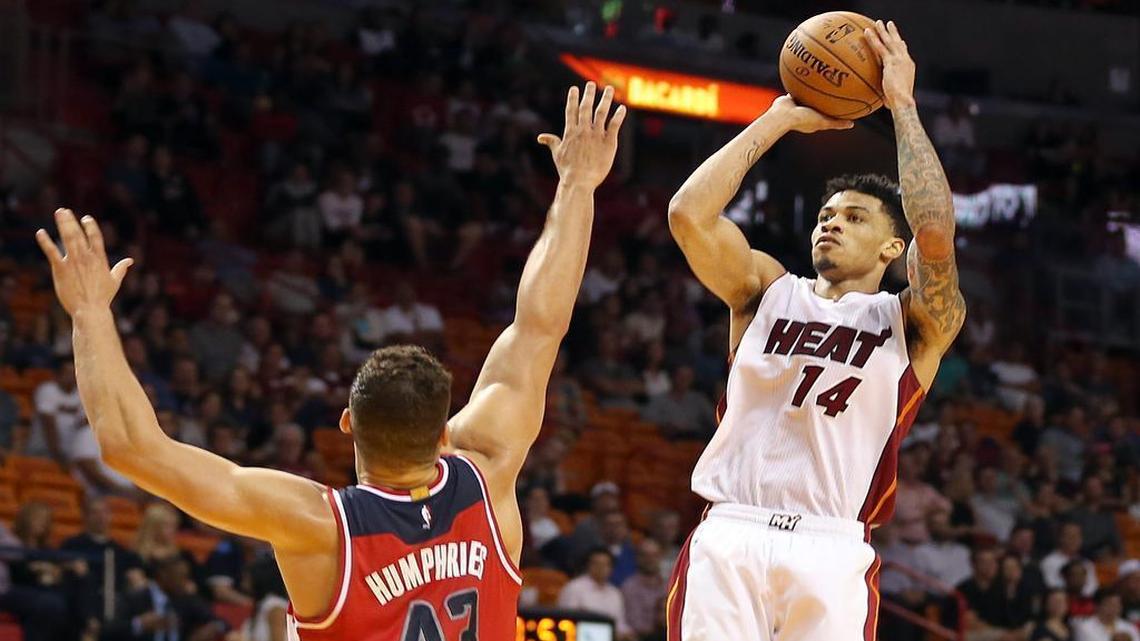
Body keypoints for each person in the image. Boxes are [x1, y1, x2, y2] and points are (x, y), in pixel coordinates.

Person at [35, 82, 626, 640]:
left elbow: (131, 447)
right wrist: (577, 184)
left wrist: (89, 314)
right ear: (445, 431)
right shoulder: (489, 472)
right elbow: (540, 325)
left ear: (347, 422)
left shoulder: (320, 527)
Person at [664, 21, 965, 640]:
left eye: (854, 218)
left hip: (832, 545)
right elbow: (688, 215)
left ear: (891, 246)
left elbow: (934, 230)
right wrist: (776, 121)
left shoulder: (912, 323)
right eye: (826, 216)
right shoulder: (765, 292)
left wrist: (903, 105)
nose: (831, 225)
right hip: (732, 531)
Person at [102, 555, 228, 641]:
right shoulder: (134, 598)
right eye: (181, 577)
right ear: (163, 575)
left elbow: (222, 622)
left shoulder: (187, 600)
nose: (186, 582)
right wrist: (139, 624)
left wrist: (213, 627)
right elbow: (107, 633)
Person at [558, 548, 634, 641]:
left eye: (605, 565)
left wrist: (627, 633)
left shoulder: (615, 593)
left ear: (611, 568)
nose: (601, 568)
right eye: (596, 564)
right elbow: (567, 622)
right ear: (588, 565)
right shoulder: (574, 588)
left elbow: (619, 623)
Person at [622, 538, 667, 640]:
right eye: (645, 555)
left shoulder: (668, 586)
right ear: (638, 558)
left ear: (660, 557)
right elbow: (635, 625)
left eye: (654, 555)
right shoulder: (629, 587)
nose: (650, 559)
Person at [1072, 589, 1140, 641]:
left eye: (1117, 605)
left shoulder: (1129, 627)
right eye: (1110, 604)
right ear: (1097, 605)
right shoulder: (1084, 627)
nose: (1114, 608)